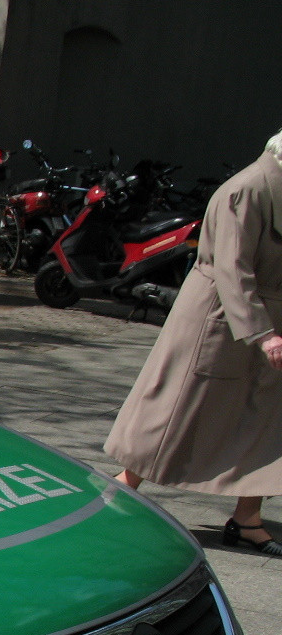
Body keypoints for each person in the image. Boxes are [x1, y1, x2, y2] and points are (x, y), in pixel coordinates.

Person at [106, 131, 282, 553]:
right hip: (221, 317)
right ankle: (119, 489)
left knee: (266, 419)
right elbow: (232, 269)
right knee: (176, 406)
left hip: (265, 319)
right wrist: (262, 333)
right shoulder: (247, 189)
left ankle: (247, 518)